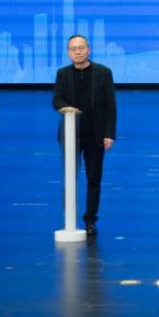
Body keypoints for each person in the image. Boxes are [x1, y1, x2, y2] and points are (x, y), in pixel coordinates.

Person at [53, 35, 117, 236]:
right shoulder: (63, 74)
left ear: (88, 50)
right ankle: (69, 218)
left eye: (81, 47)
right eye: (74, 48)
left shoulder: (103, 73)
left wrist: (109, 134)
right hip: (70, 134)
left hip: (96, 135)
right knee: (69, 177)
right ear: (68, 53)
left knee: (94, 178)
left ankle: (90, 220)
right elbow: (57, 100)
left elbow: (110, 105)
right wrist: (66, 108)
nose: (78, 51)